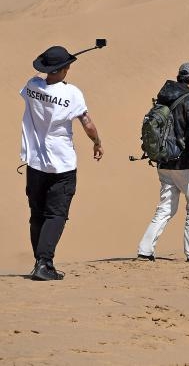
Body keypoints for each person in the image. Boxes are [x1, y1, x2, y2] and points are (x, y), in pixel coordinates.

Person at [20, 45, 104, 281]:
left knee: (37, 213)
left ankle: (40, 261)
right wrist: (97, 141)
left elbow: (41, 83)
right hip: (62, 164)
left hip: (35, 162)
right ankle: (44, 263)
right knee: (56, 214)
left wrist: (56, 66)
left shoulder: (31, 85)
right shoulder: (73, 93)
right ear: (64, 69)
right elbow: (86, 122)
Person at [137, 62, 189, 263]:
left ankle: (145, 249)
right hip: (184, 163)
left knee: (166, 207)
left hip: (164, 161)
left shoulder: (164, 96)